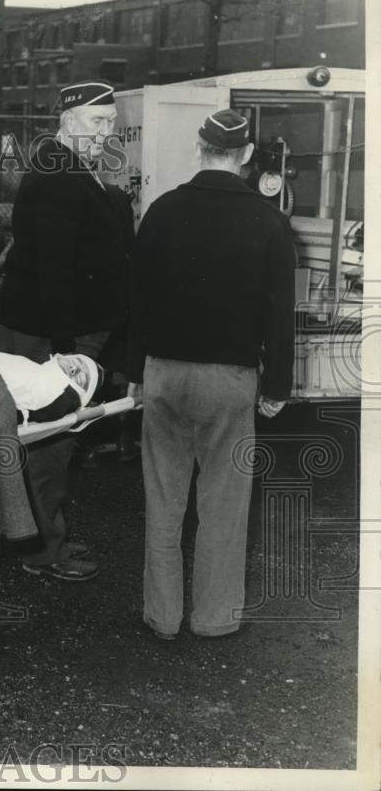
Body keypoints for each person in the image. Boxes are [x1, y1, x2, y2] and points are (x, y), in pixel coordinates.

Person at [127, 109, 295, 641]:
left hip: (165, 374)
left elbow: (139, 301)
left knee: (163, 498)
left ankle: (162, 616)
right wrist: (277, 387)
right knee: (224, 504)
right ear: (247, 155)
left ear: (199, 148)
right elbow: (278, 313)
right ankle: (215, 618)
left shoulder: (162, 210)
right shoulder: (270, 222)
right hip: (230, 381)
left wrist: (135, 372)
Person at [0, 81, 130, 582]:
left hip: (59, 332)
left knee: (56, 438)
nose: (106, 133)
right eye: (97, 122)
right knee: (51, 441)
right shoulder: (58, 175)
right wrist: (65, 350)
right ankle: (42, 550)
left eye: (111, 123)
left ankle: (43, 535)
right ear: (68, 119)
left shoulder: (70, 169)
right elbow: (54, 269)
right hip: (54, 336)